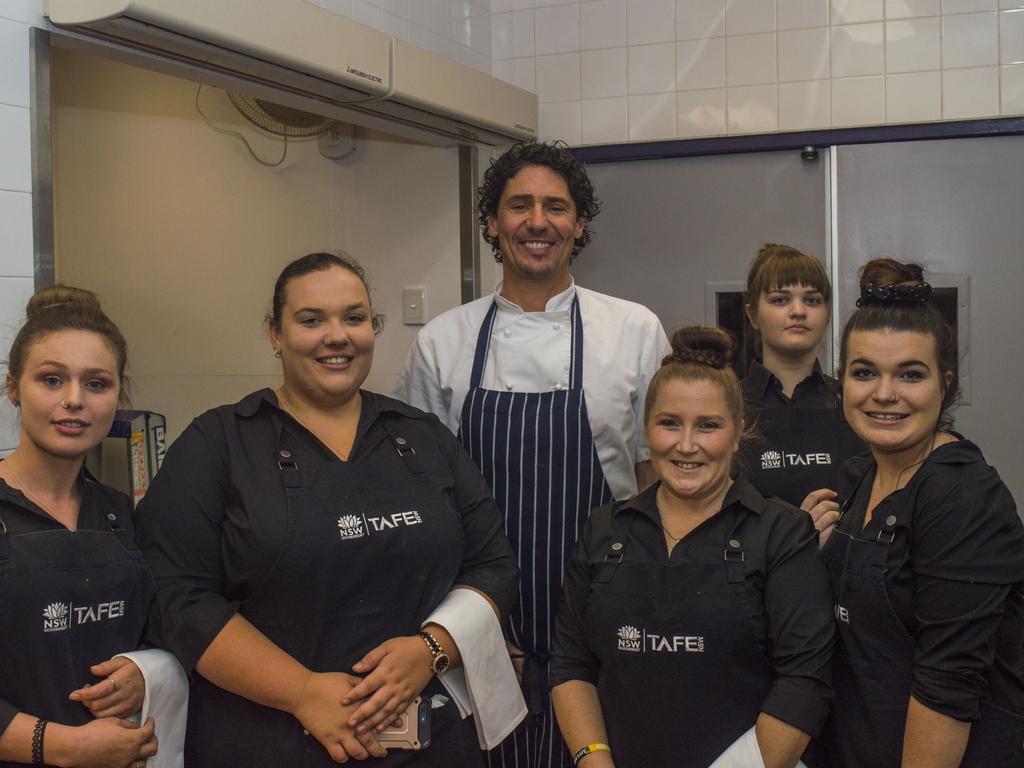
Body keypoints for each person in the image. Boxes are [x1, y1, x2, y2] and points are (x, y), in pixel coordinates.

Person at [136, 252, 523, 767]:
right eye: (311, 320)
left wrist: (431, 649)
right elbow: (177, 596)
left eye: (354, 318)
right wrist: (302, 692)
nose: (336, 336)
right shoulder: (219, 443)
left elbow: (493, 565)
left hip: (429, 742)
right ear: (275, 334)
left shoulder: (422, 437)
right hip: (265, 741)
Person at [393, 140, 667, 768]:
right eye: (519, 205)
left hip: (605, 617)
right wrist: (461, 630)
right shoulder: (443, 341)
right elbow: (417, 493)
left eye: (556, 207)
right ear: (492, 222)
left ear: (579, 225)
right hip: (480, 626)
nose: (537, 222)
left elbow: (659, 477)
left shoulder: (634, 330)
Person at [550, 327, 834, 768]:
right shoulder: (605, 529)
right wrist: (594, 759)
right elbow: (571, 665)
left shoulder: (780, 533)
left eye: (708, 426)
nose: (686, 445)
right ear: (647, 429)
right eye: (669, 424)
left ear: (738, 433)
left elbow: (805, 682)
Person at [806, 259, 1024, 768]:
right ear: (843, 385)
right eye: (865, 373)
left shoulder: (964, 498)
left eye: (910, 374)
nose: (885, 394)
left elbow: (948, 688)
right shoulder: (858, 476)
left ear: (944, 384)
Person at [0, 286, 158, 768]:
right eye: (51, 380)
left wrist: (145, 672)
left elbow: (162, 630)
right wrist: (62, 746)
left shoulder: (121, 515)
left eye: (95, 383)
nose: (74, 400)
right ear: (12, 388)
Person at [739, 244, 864, 540]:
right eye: (781, 299)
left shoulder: (855, 402)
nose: (798, 311)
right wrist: (795, 533)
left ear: (827, 312)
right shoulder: (727, 406)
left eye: (812, 300)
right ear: (752, 314)